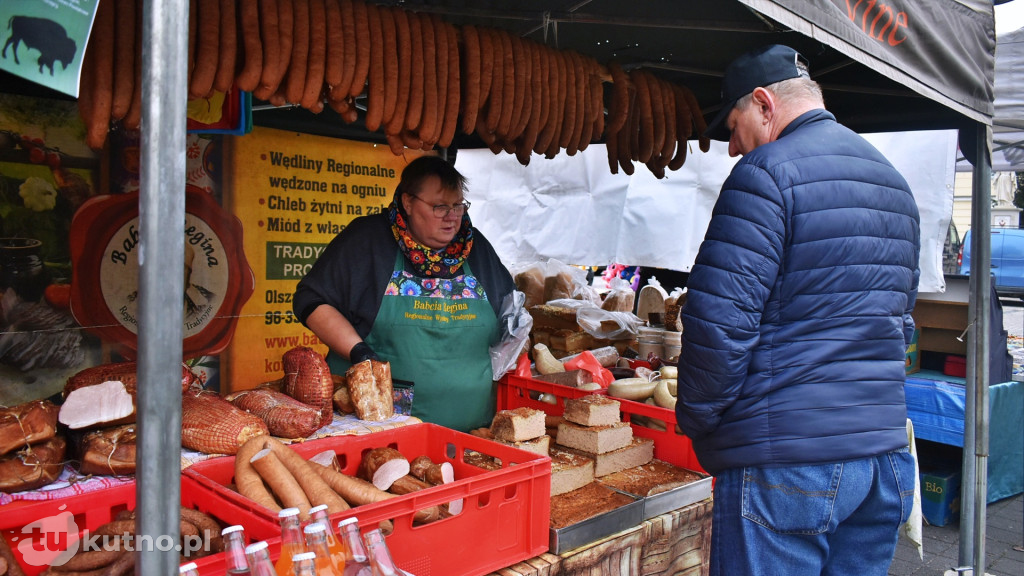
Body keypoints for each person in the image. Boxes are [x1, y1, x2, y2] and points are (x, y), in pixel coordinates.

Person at [674, 45, 920, 576]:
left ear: (764, 103)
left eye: (735, 127)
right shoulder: (893, 181)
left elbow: (718, 326)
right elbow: (901, 324)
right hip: (883, 460)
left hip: (787, 462)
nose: (734, 147)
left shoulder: (765, 174)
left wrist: (696, 423)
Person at [293, 155, 514, 432]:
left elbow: (511, 311)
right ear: (408, 202)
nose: (452, 217)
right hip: (380, 433)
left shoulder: (475, 247)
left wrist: (517, 337)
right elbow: (311, 300)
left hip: (473, 434)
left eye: (458, 206)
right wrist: (358, 350)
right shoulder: (368, 241)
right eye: (439, 207)